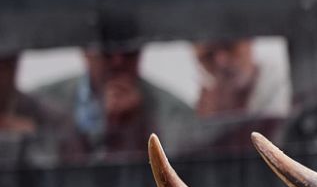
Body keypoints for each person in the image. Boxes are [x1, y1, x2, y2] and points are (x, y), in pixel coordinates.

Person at [32, 37, 200, 160]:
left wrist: (138, 130)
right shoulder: (39, 106)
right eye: (106, 51)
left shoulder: (174, 112)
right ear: (85, 51)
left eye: (129, 50)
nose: (118, 61)